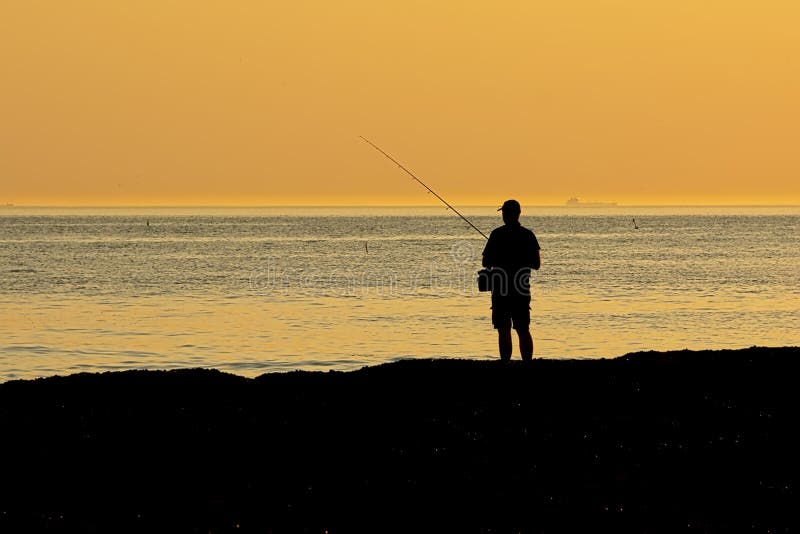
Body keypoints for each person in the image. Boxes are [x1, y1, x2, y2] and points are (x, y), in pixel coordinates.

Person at [481, 199, 541, 361]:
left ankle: (505, 363)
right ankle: (527, 363)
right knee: (522, 328)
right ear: (519, 213)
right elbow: (536, 264)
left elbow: (485, 262)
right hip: (521, 288)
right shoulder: (528, 235)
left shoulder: (496, 234)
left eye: (504, 213)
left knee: (504, 328)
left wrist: (500, 258)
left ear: (507, 214)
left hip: (501, 289)